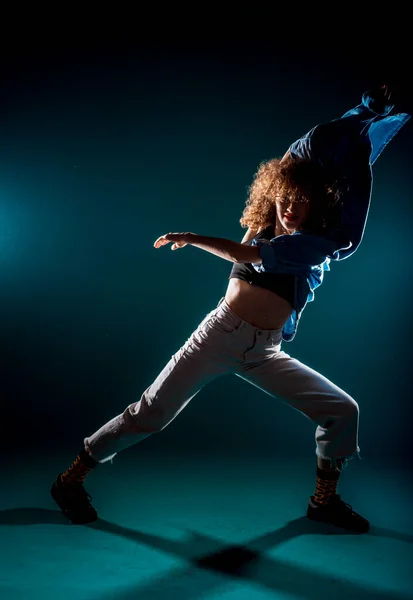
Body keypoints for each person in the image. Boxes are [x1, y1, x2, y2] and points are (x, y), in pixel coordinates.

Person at [51, 85, 410, 533]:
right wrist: (363, 112)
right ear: (273, 195)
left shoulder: (311, 249)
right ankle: (71, 480)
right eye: (286, 199)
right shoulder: (261, 224)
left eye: (303, 203)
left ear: (315, 207)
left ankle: (324, 501)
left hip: (265, 353)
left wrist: (194, 238)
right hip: (218, 337)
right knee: (149, 415)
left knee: (343, 411)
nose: (292, 209)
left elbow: (255, 257)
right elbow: (303, 151)